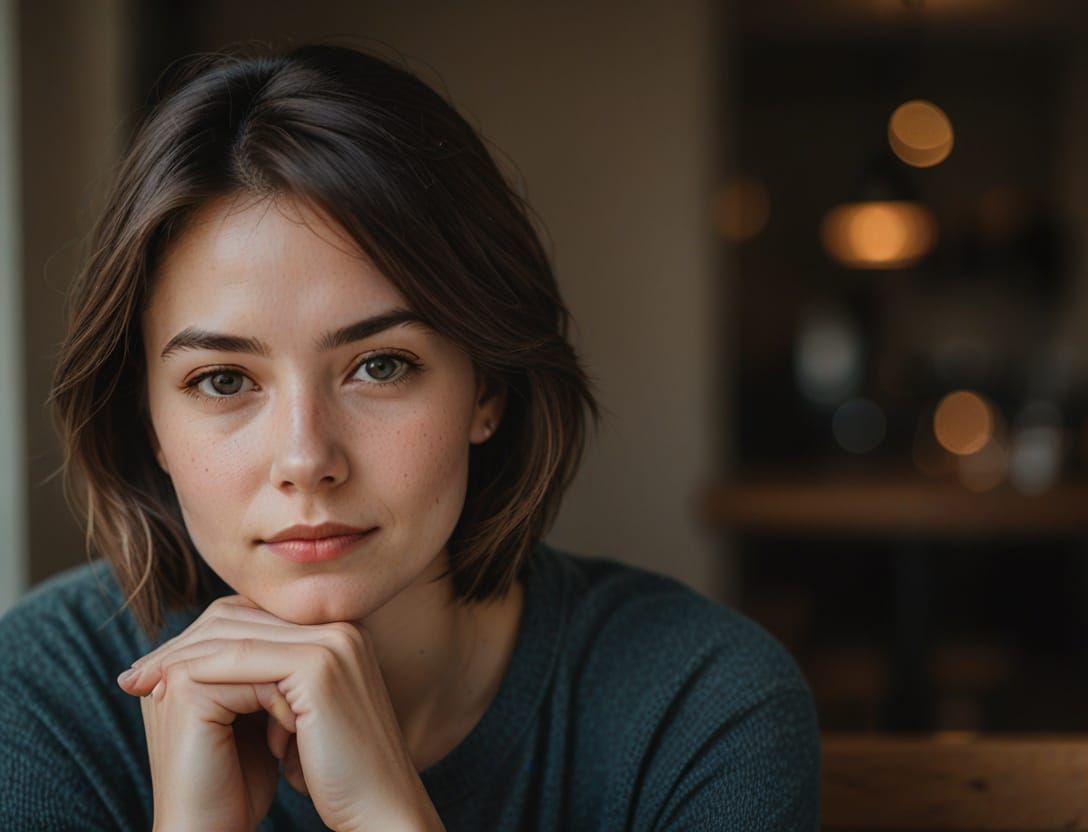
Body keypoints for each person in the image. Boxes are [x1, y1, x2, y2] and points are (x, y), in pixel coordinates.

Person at [0, 41, 820, 831]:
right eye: (223, 381)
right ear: (147, 420)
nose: (306, 460)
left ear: (487, 386)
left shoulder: (697, 703)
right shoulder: (39, 694)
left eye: (380, 366)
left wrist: (391, 820)